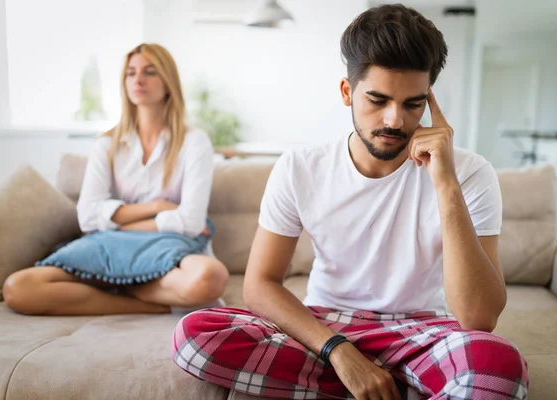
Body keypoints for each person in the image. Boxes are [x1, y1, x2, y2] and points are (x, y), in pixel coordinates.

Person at [172, 5, 528, 400]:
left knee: (500, 369)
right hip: (324, 324)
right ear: (347, 92)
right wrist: (339, 352)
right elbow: (260, 284)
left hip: (424, 330)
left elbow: (478, 317)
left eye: (412, 104)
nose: (394, 120)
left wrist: (445, 184)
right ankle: (385, 384)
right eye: (377, 99)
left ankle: (365, 384)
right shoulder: (299, 168)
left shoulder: (471, 173)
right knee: (195, 333)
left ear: (429, 101)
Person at [3, 43, 229, 316]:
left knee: (210, 276)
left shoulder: (194, 142)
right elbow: (87, 217)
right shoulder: (107, 143)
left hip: (164, 248)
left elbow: (191, 222)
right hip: (108, 248)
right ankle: (142, 303)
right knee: (18, 287)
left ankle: (122, 285)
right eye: (131, 73)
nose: (138, 80)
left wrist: (119, 224)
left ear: (168, 82)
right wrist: (157, 206)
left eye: (150, 72)